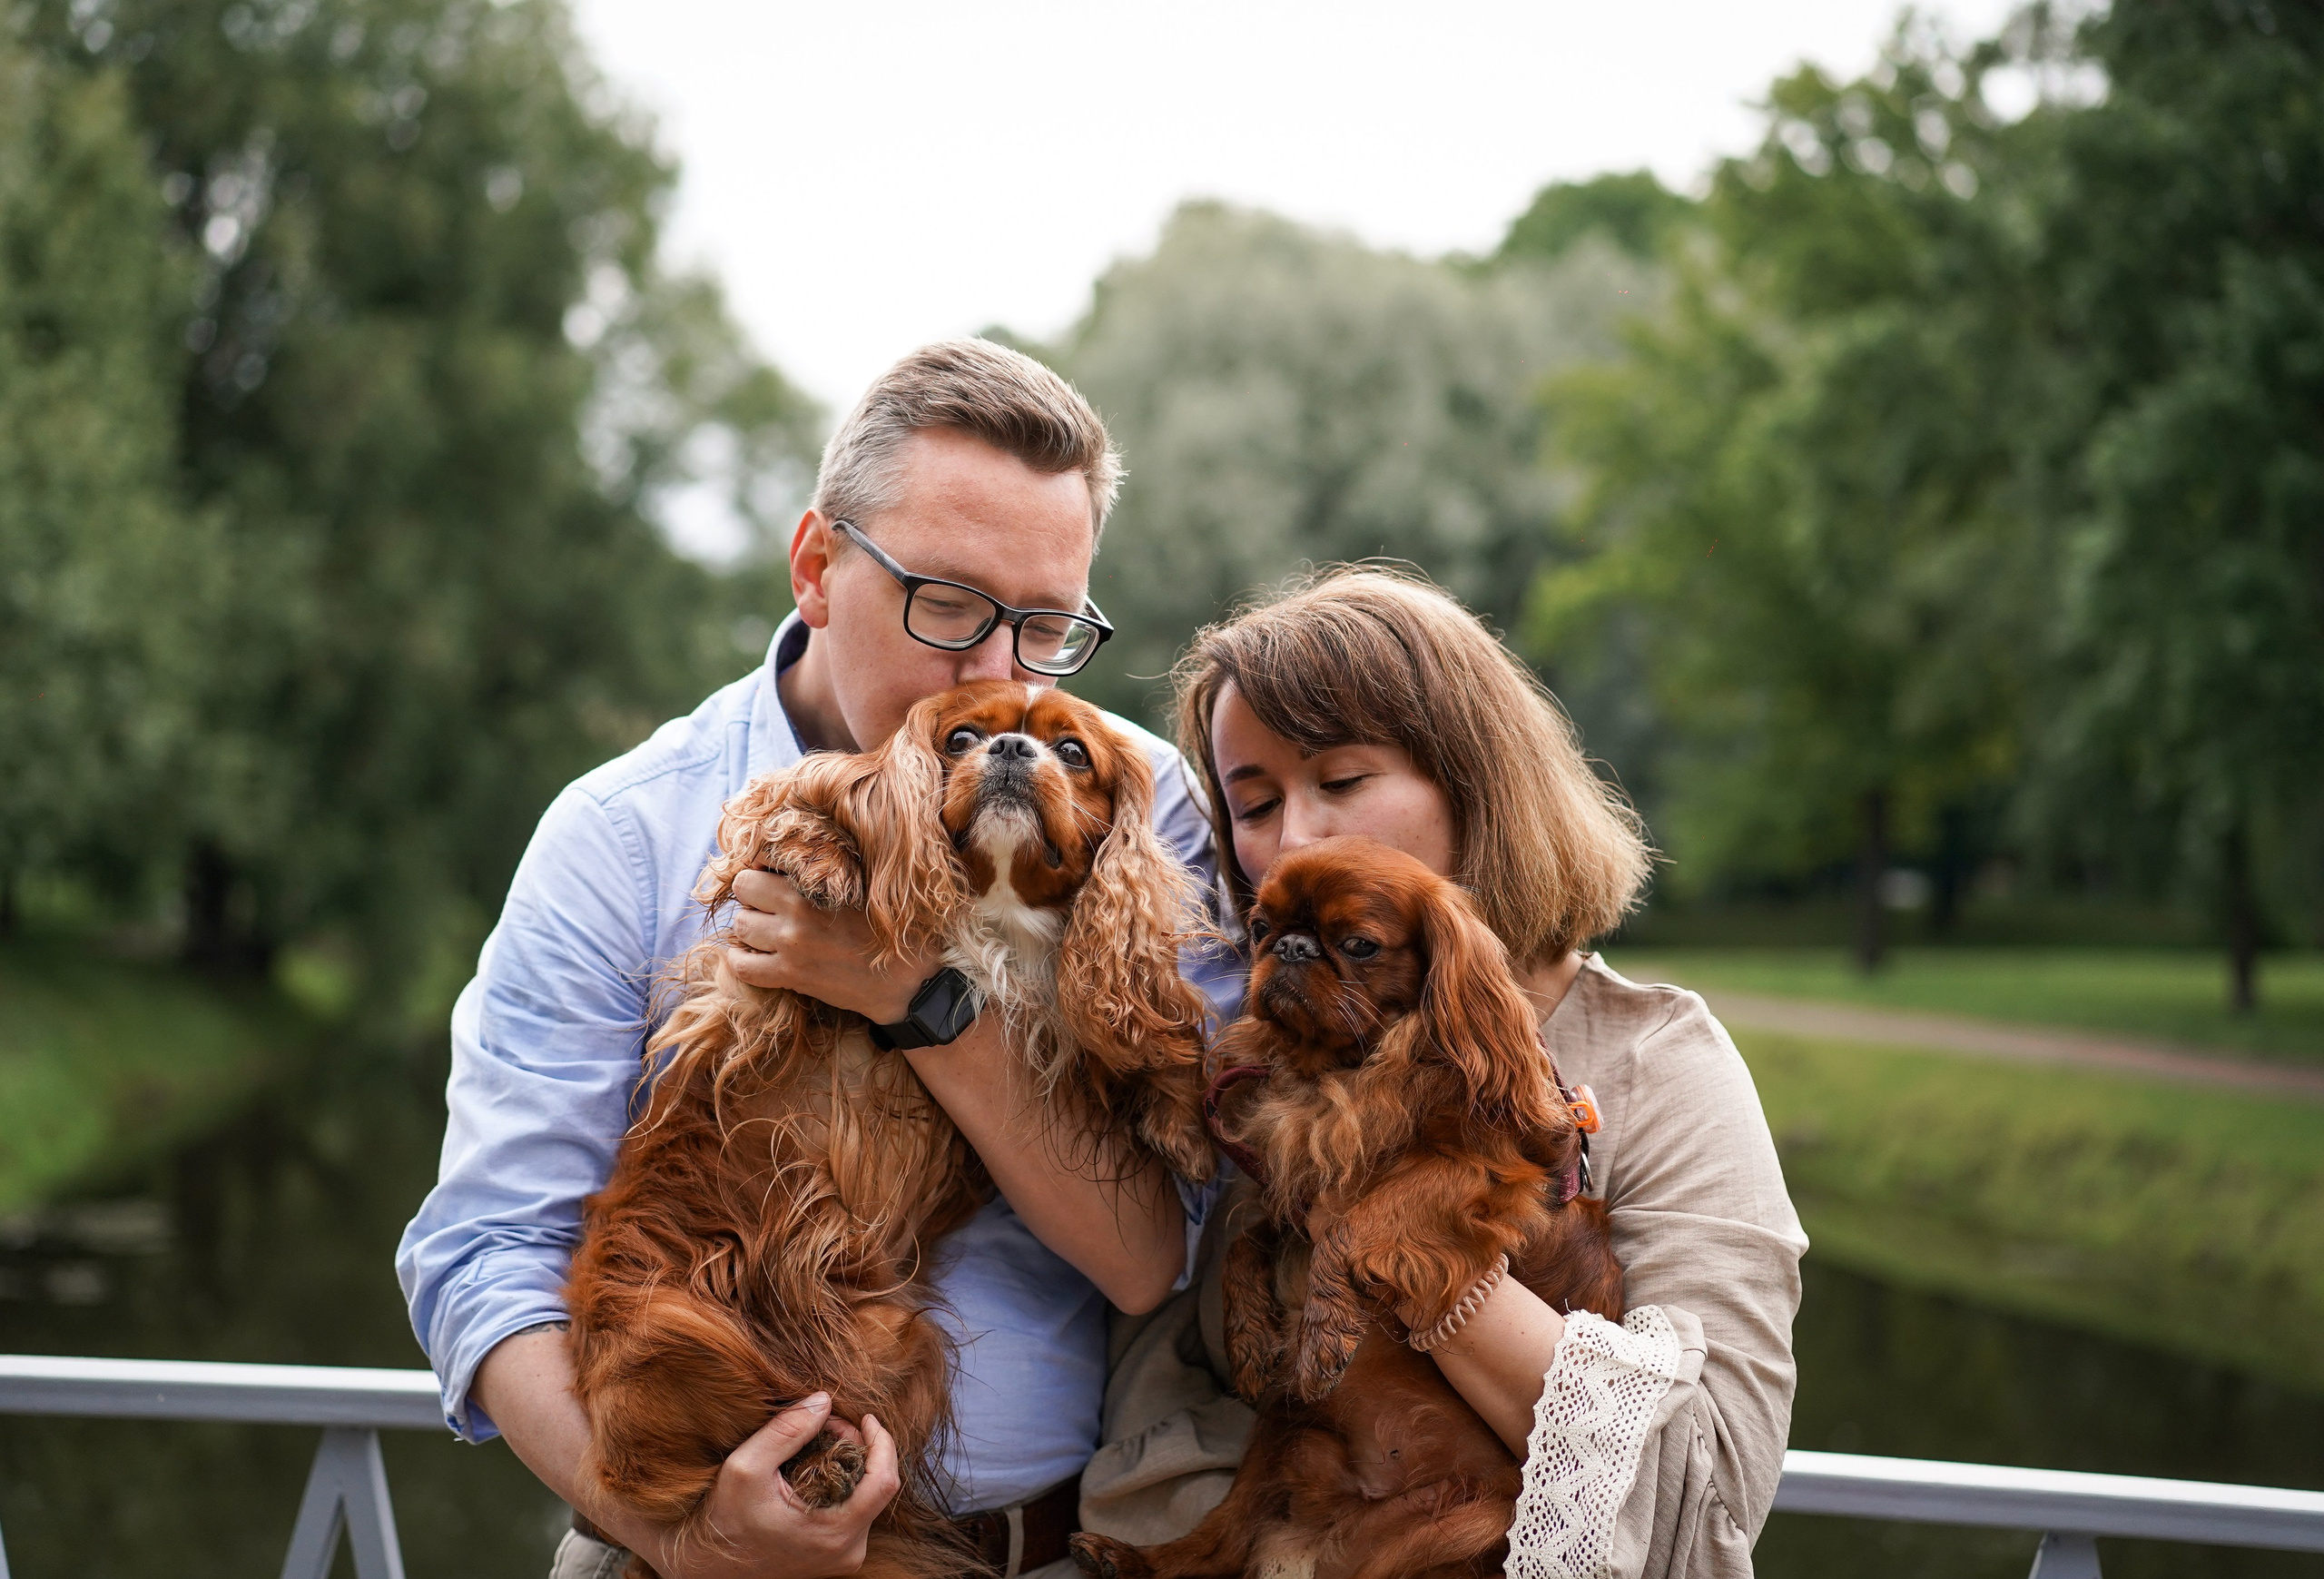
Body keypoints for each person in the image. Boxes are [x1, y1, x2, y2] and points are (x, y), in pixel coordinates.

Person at [395, 340, 1240, 1579]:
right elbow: (486, 1255)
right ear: (815, 567)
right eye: (947, 603)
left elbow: (1153, 1253)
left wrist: (917, 997)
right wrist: (688, 1541)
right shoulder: (625, 832)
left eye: (1046, 624)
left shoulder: (1133, 802)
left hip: (1047, 1553)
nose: (997, 671)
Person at [1079, 567, 1807, 1579]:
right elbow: (1157, 1399)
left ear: (1474, 778)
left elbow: (1708, 1494)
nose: (1296, 836)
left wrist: (1415, 1253)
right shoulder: (1250, 1057)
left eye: (1341, 781)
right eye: (1254, 803)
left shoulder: (1661, 1065)